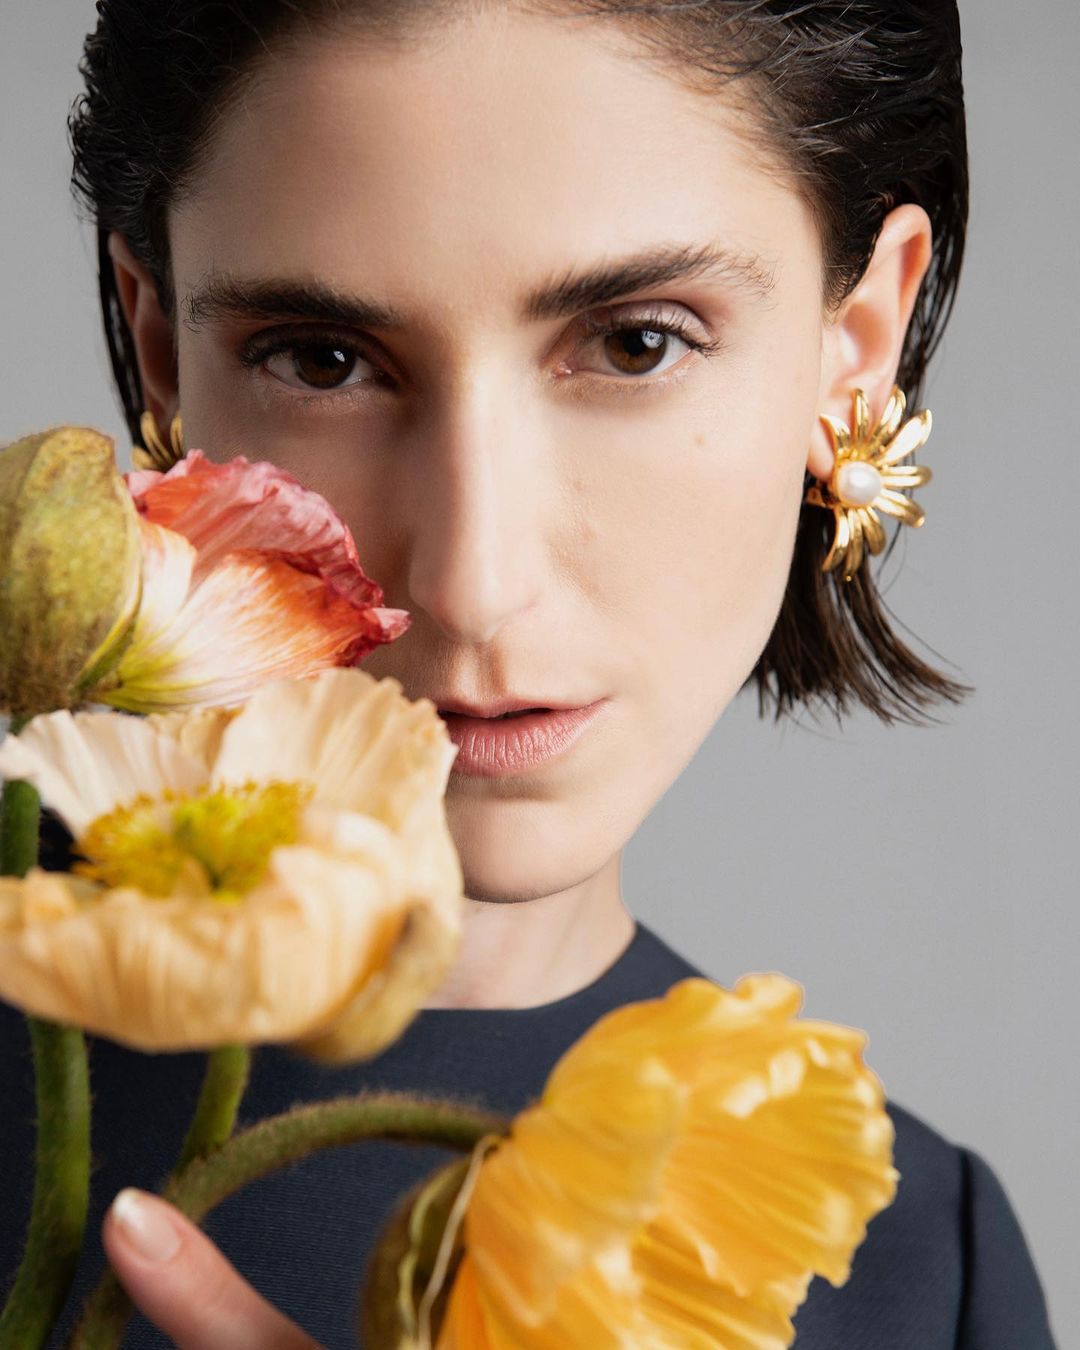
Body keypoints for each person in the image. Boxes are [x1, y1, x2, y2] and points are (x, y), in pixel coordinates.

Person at [0, 0, 1058, 1345]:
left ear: (854, 349)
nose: (471, 580)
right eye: (322, 360)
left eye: (635, 343)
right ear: (161, 354)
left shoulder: (924, 1276)